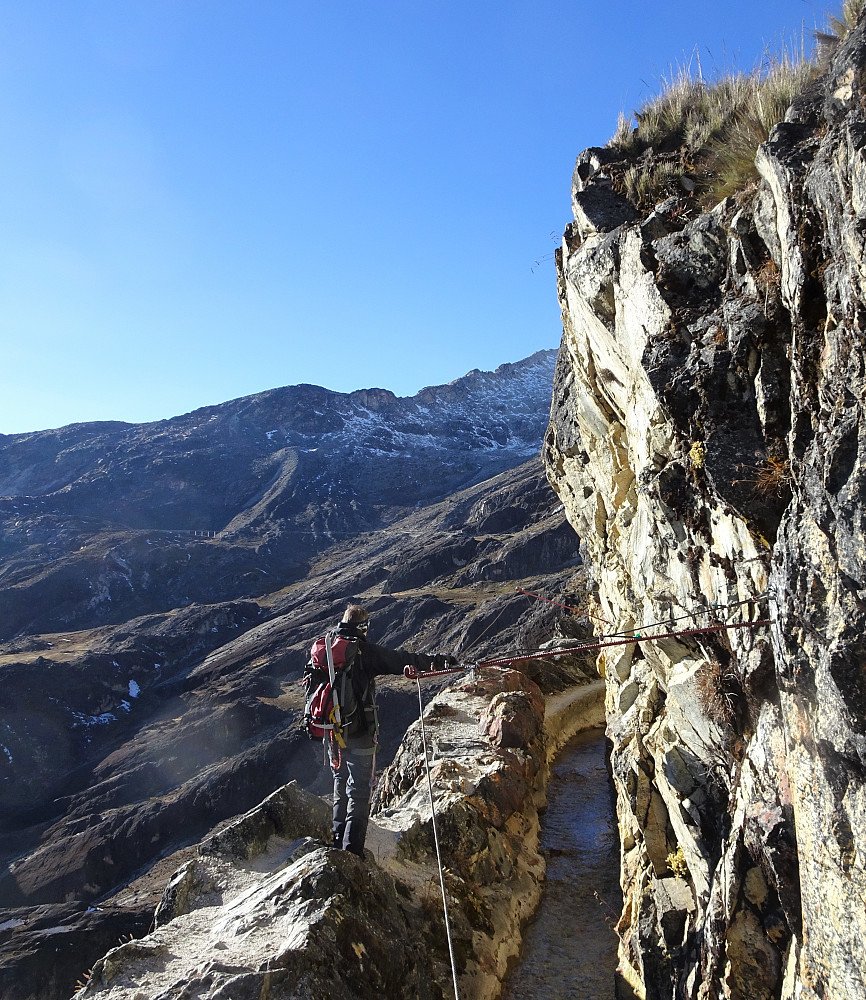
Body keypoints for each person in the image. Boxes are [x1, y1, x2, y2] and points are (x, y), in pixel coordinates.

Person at [325, 603, 455, 857]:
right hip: (360, 732)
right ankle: (352, 851)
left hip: (331, 731)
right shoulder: (363, 652)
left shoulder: (327, 648)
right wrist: (440, 662)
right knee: (359, 791)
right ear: (363, 627)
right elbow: (401, 660)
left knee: (340, 783)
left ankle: (337, 842)